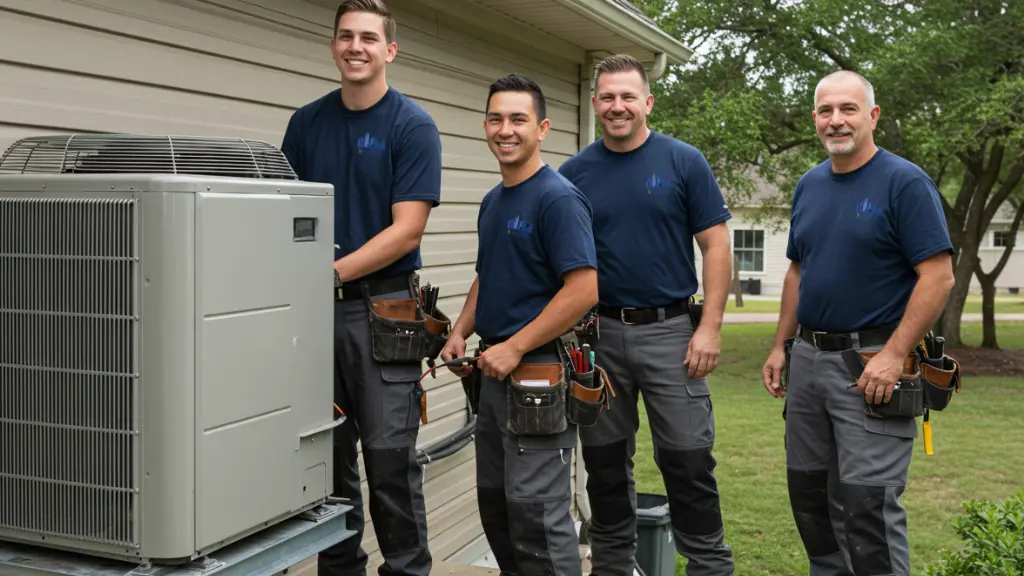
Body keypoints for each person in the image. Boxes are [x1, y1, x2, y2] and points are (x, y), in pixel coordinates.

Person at [761, 70, 955, 576]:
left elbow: (937, 277)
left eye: (848, 109)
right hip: (808, 363)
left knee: (868, 507)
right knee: (810, 499)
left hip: (870, 367)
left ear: (872, 116)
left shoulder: (904, 182)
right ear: (815, 120)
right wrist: (781, 345)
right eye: (826, 111)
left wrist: (893, 355)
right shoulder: (809, 183)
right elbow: (799, 270)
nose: (836, 120)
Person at [279, 1, 443, 574]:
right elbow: (287, 215)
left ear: (389, 50)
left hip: (382, 313)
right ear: (332, 46)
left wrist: (329, 273)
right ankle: (339, 567)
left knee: (389, 459)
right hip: (312, 316)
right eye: (346, 36)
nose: (356, 46)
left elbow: (407, 231)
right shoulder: (306, 124)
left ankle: (406, 568)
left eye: (369, 38)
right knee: (325, 457)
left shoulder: (411, 125)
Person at [557, 54, 735, 576]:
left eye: (628, 96)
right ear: (594, 103)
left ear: (648, 102)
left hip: (672, 334)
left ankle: (707, 566)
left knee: (688, 461)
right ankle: (614, 566)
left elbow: (716, 245)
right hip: (598, 338)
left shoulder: (683, 162)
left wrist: (711, 326)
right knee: (606, 465)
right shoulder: (574, 173)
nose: (618, 106)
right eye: (608, 97)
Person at [439, 74, 598, 576]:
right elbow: (487, 276)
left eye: (518, 120)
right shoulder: (493, 200)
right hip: (493, 374)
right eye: (495, 118)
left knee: (538, 520)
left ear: (542, 128)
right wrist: (460, 329)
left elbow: (583, 291)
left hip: (539, 374)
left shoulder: (557, 199)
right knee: (498, 508)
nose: (504, 130)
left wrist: (514, 347)